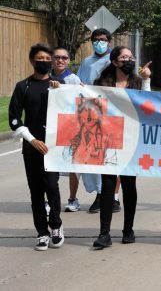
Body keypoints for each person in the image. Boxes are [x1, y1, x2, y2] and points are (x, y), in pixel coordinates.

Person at [91, 46, 151, 249]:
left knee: (129, 185)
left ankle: (128, 229)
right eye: (124, 57)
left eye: (131, 57)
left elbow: (149, 104)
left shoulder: (137, 82)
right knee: (108, 185)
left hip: (131, 140)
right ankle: (104, 233)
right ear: (115, 61)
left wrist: (147, 80)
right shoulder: (102, 84)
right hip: (108, 140)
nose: (129, 60)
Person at [8, 44, 65, 250]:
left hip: (53, 148)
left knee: (52, 186)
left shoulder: (59, 84)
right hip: (32, 146)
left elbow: (72, 108)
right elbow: (14, 118)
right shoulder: (23, 86)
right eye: (40, 58)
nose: (44, 62)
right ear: (32, 61)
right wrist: (32, 140)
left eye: (47, 58)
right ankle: (42, 232)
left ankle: (56, 226)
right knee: (36, 191)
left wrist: (61, 91)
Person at [75, 28, 114, 214]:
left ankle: (112, 196)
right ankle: (100, 193)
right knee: (91, 153)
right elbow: (79, 86)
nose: (100, 42)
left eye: (103, 39)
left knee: (111, 155)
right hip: (90, 112)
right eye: (96, 40)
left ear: (109, 41)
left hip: (111, 113)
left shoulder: (114, 61)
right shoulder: (86, 62)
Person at [50, 47, 83, 212]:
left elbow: (81, 100)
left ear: (68, 60)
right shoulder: (45, 76)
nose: (60, 60)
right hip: (50, 127)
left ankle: (72, 199)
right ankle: (49, 201)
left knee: (72, 165)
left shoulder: (73, 79)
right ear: (52, 59)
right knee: (49, 165)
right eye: (57, 57)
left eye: (64, 58)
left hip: (70, 126)